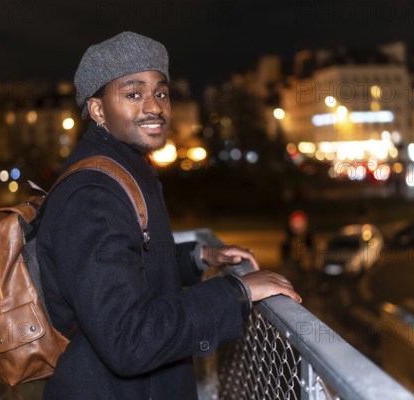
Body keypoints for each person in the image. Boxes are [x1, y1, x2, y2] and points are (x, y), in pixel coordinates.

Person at [36, 31, 302, 400]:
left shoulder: (125, 169)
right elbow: (128, 338)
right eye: (133, 94)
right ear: (98, 110)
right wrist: (236, 291)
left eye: (160, 92)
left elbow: (128, 264)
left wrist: (197, 257)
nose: (155, 107)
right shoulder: (93, 196)